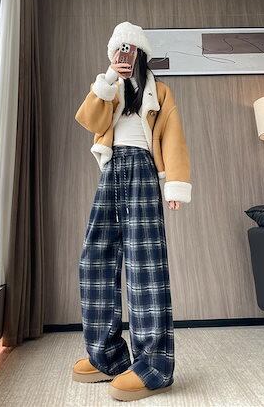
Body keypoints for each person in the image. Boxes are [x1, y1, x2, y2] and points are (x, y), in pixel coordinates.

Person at [72, 21, 192, 401]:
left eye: (129, 48)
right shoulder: (109, 89)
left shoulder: (160, 92)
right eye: (117, 48)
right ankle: (107, 356)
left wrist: (175, 184)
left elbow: (173, 137)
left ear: (140, 53)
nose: (123, 54)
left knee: (145, 265)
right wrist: (109, 78)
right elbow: (89, 121)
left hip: (142, 169)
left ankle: (153, 365)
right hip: (111, 171)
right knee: (95, 259)